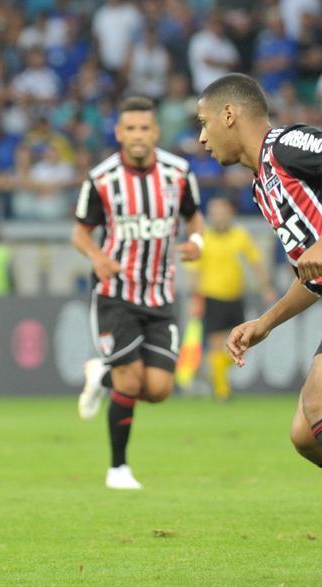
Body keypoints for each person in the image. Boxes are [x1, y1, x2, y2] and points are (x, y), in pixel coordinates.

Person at [73, 96, 205, 490]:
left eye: (144, 129)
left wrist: (197, 240)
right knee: (130, 379)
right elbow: (80, 231)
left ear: (155, 133)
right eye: (130, 129)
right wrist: (96, 257)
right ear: (118, 133)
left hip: (161, 295)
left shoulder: (179, 173)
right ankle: (118, 469)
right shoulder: (102, 178)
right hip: (116, 292)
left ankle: (101, 373)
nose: (137, 136)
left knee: (160, 390)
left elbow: (193, 215)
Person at [196, 72, 322, 467]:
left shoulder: (286, 147)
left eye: (205, 123)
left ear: (229, 114)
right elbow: (313, 277)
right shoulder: (261, 187)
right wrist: (264, 322)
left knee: (318, 402)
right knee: (304, 436)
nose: (202, 138)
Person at [184, 196, 276, 399]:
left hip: (235, 296)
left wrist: (266, 287)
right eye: (214, 212)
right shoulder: (203, 237)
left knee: (243, 344)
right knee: (217, 342)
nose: (218, 216)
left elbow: (255, 261)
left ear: (230, 213)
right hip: (212, 297)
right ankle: (222, 391)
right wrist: (195, 298)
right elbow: (194, 271)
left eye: (222, 211)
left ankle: (214, 370)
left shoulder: (240, 235)